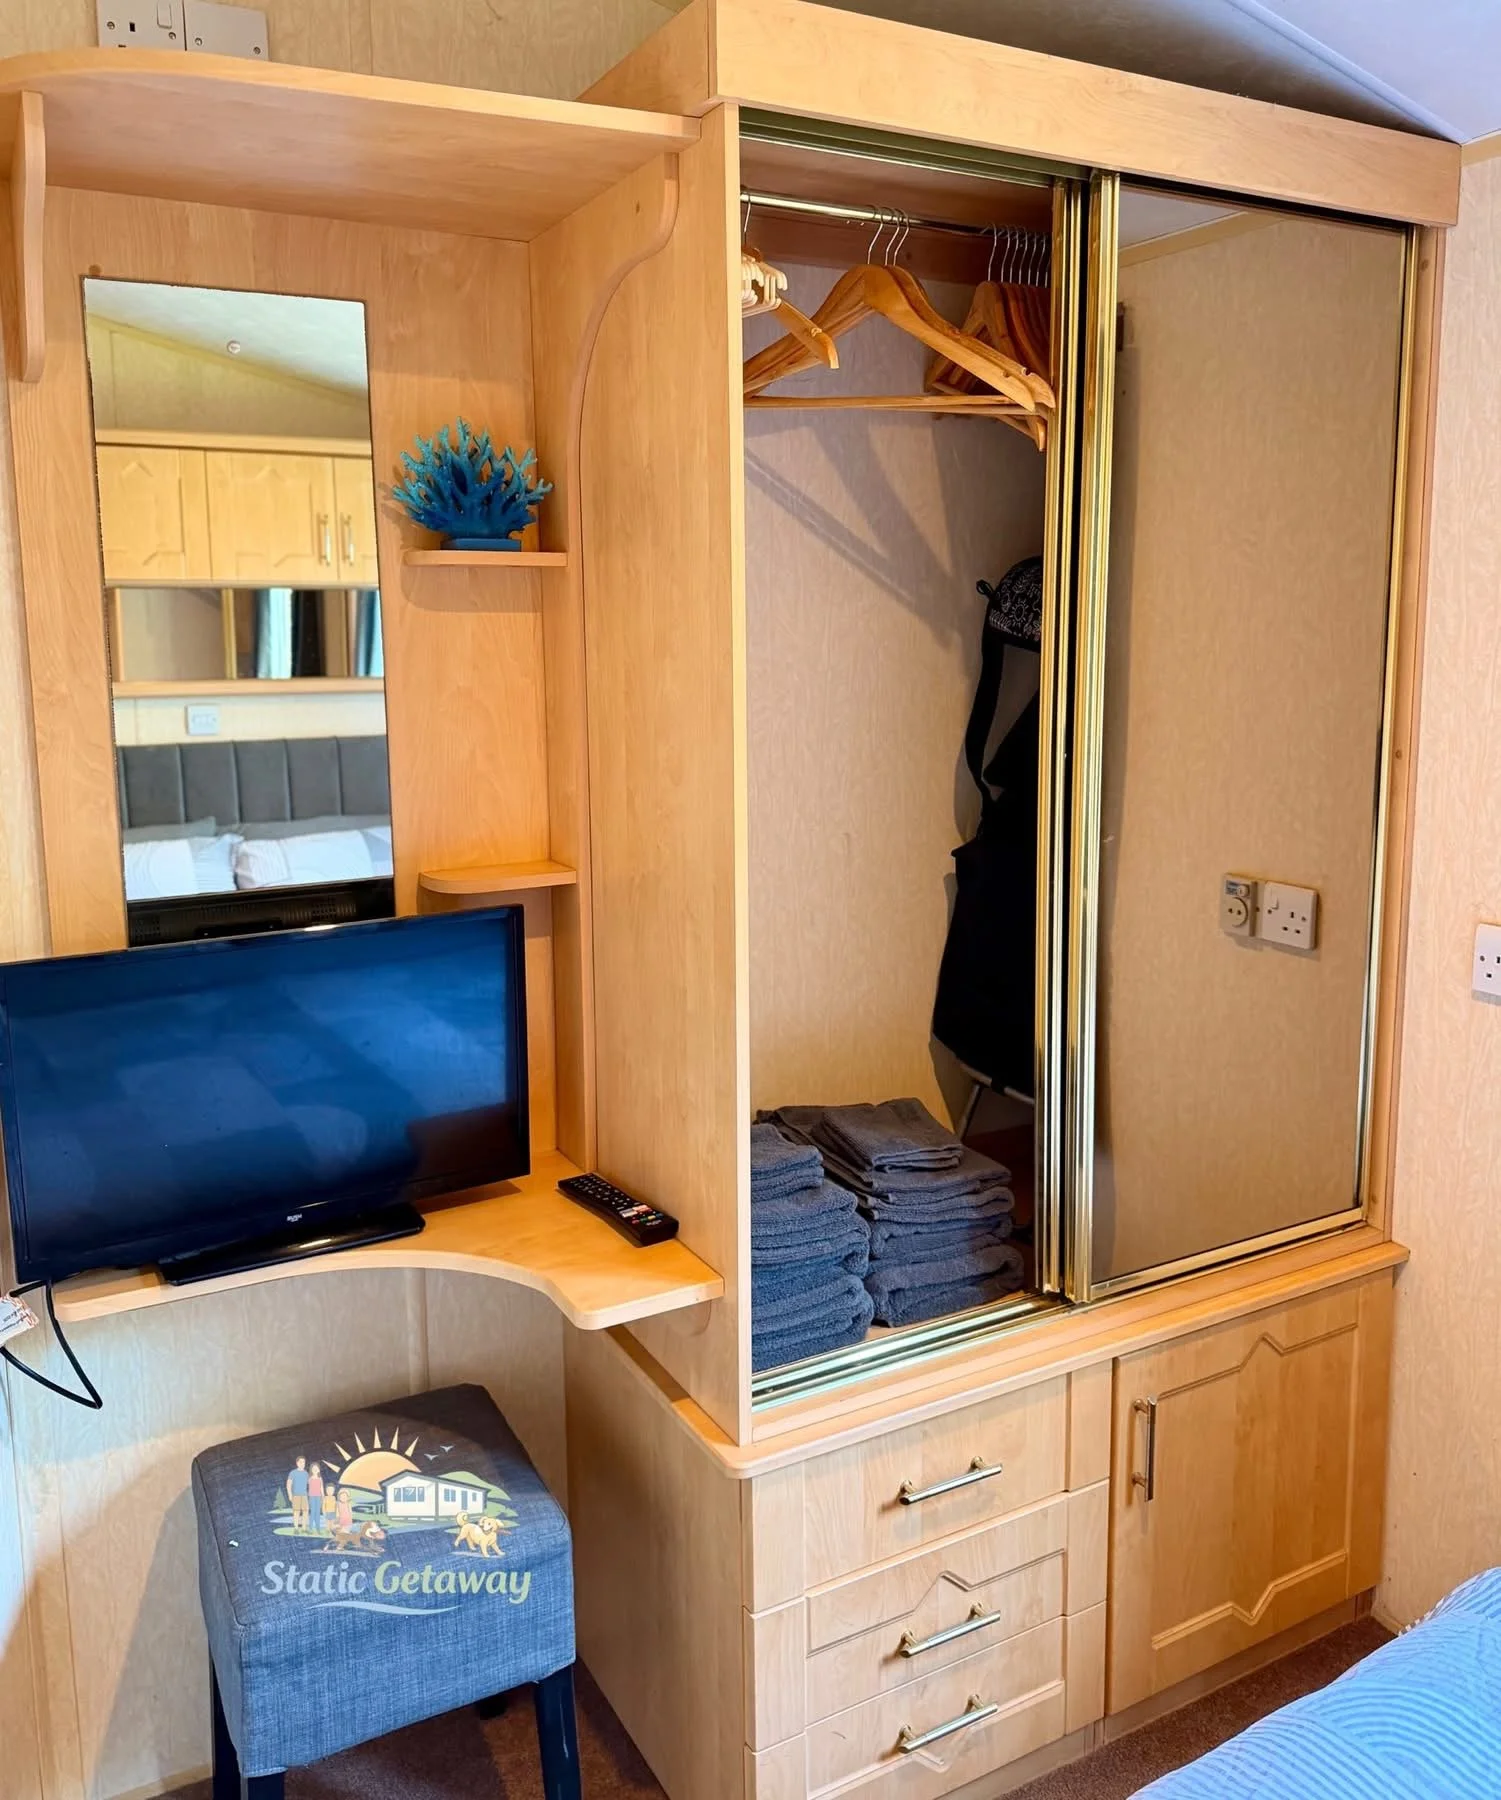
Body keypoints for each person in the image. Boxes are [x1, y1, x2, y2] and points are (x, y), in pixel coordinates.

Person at [286, 1456, 311, 1532]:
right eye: (300, 1462)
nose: (302, 1463)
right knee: (296, 1512)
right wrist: (290, 1495)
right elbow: (288, 1484)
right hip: (296, 1496)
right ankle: (296, 1528)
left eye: (303, 1462)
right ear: (297, 1463)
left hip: (304, 1496)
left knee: (305, 1512)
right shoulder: (293, 1473)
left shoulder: (306, 1473)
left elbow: (309, 1484)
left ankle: (304, 1528)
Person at [306, 1462, 326, 1533]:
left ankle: (318, 1528)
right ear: (311, 1470)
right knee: (312, 1512)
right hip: (311, 1497)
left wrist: (323, 1497)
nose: (315, 1470)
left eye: (316, 1468)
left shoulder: (320, 1478)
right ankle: (310, 1528)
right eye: (313, 1468)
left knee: (317, 1513)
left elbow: (321, 1488)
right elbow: (307, 1488)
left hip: (318, 1497)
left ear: (319, 1470)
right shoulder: (309, 1478)